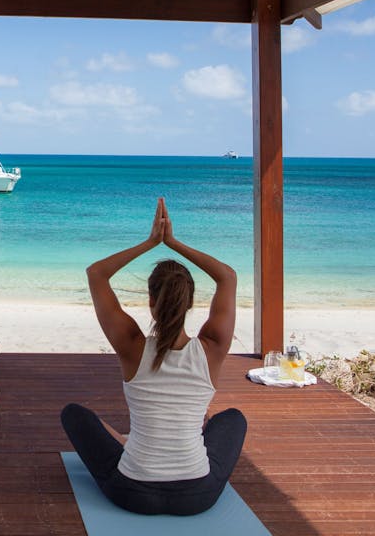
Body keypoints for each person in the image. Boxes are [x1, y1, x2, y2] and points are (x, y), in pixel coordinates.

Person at [60, 197, 246, 516]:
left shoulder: (131, 345)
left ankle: (126, 442)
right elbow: (227, 276)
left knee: (73, 415)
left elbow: (96, 274)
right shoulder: (212, 347)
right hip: (197, 496)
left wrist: (151, 242)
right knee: (232, 419)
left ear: (150, 300)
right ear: (190, 302)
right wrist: (174, 243)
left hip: (131, 492)